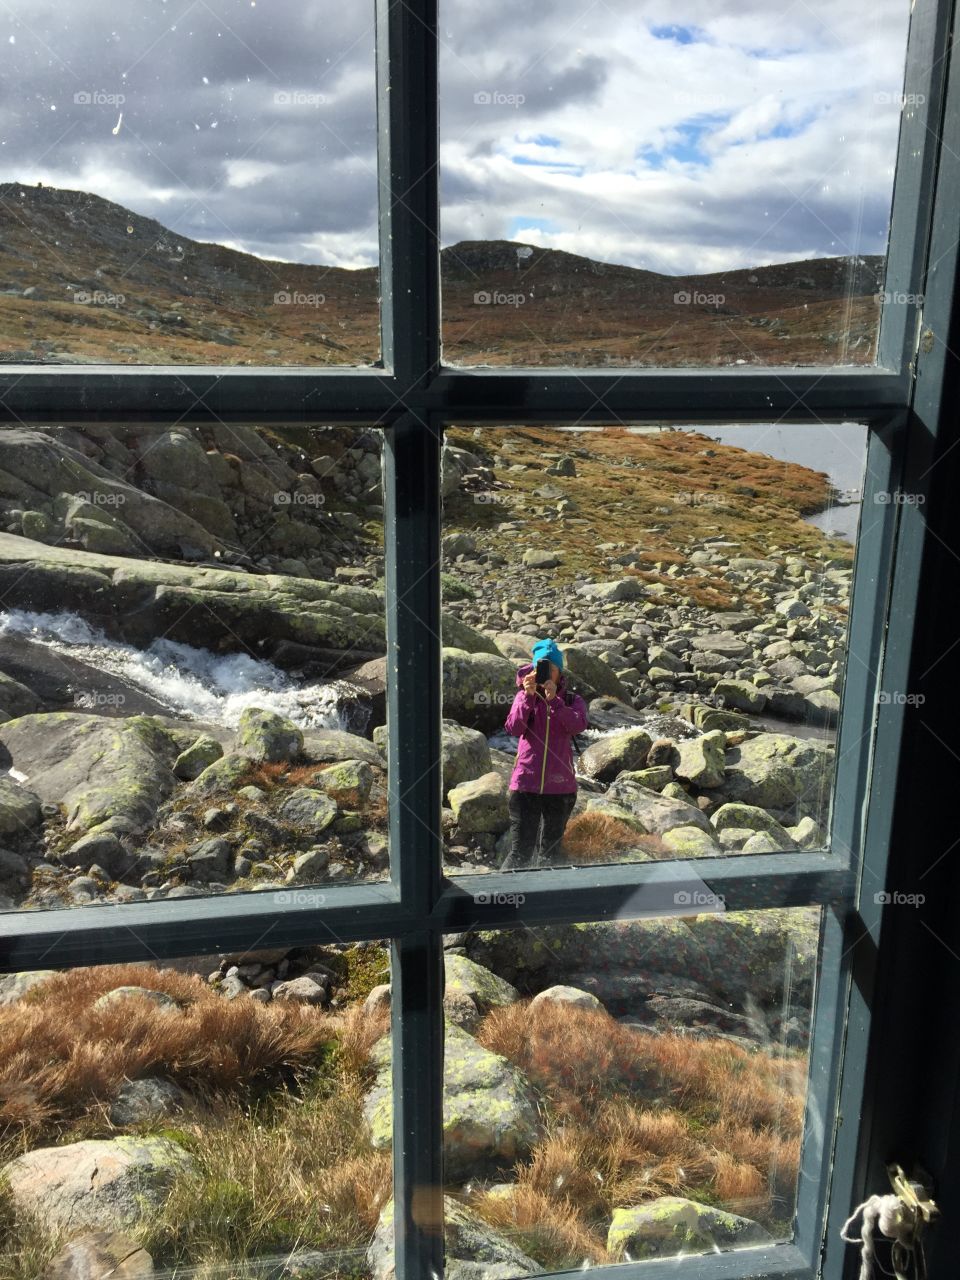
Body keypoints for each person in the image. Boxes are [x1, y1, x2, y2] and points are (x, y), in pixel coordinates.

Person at [501, 638, 589, 870]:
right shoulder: (523, 697)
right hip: (525, 785)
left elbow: (578, 726)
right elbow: (513, 728)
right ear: (533, 668)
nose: (546, 672)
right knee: (520, 854)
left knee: (551, 856)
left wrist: (555, 703)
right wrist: (529, 698)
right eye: (542, 666)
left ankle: (546, 903)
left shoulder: (572, 700)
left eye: (551, 668)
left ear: (560, 672)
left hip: (560, 789)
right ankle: (501, 901)